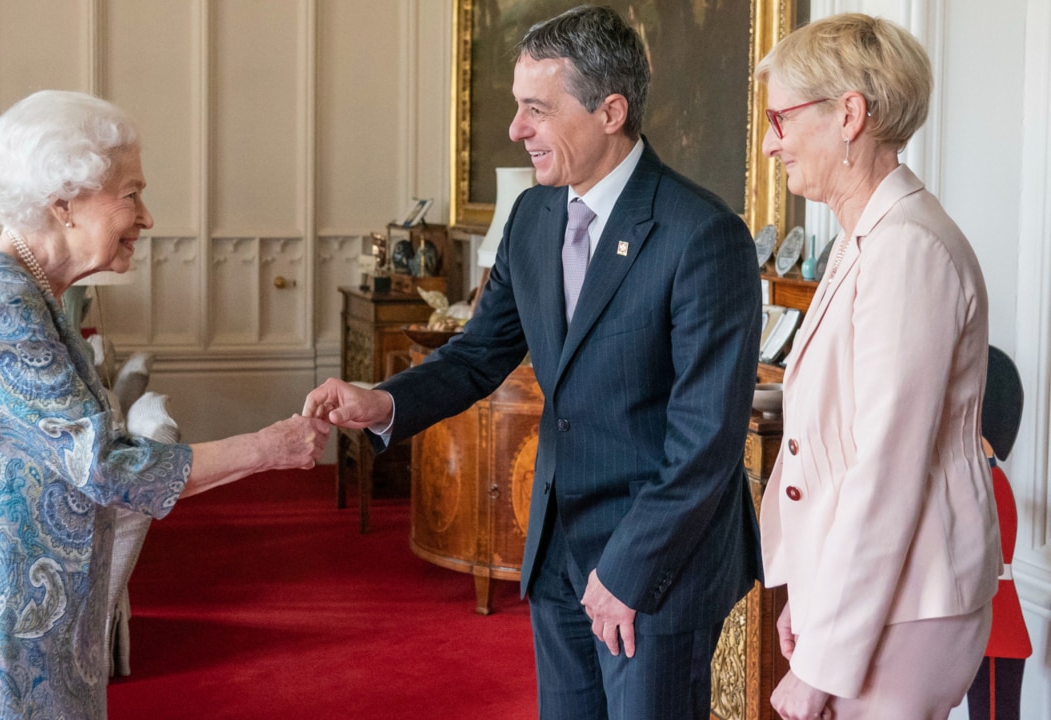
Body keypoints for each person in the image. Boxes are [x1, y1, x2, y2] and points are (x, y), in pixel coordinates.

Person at [305, 6, 763, 718]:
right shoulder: (533, 217)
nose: (517, 131)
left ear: (610, 111)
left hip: (657, 566)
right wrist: (384, 402)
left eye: (536, 111)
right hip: (557, 552)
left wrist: (630, 568)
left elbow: (706, 440)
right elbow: (479, 354)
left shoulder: (703, 235)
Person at [0, 90, 330, 719]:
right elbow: (105, 464)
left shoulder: (32, 292)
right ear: (63, 203)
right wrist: (269, 447)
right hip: (1, 638)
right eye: (130, 194)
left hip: (40, 625)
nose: (147, 217)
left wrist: (267, 455)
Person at [755, 14, 1000, 720]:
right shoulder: (870, 235)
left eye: (781, 118)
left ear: (849, 115)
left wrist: (827, 652)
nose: (772, 143)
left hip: (909, 603)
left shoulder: (907, 250)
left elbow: (886, 468)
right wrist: (812, 592)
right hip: (880, 597)